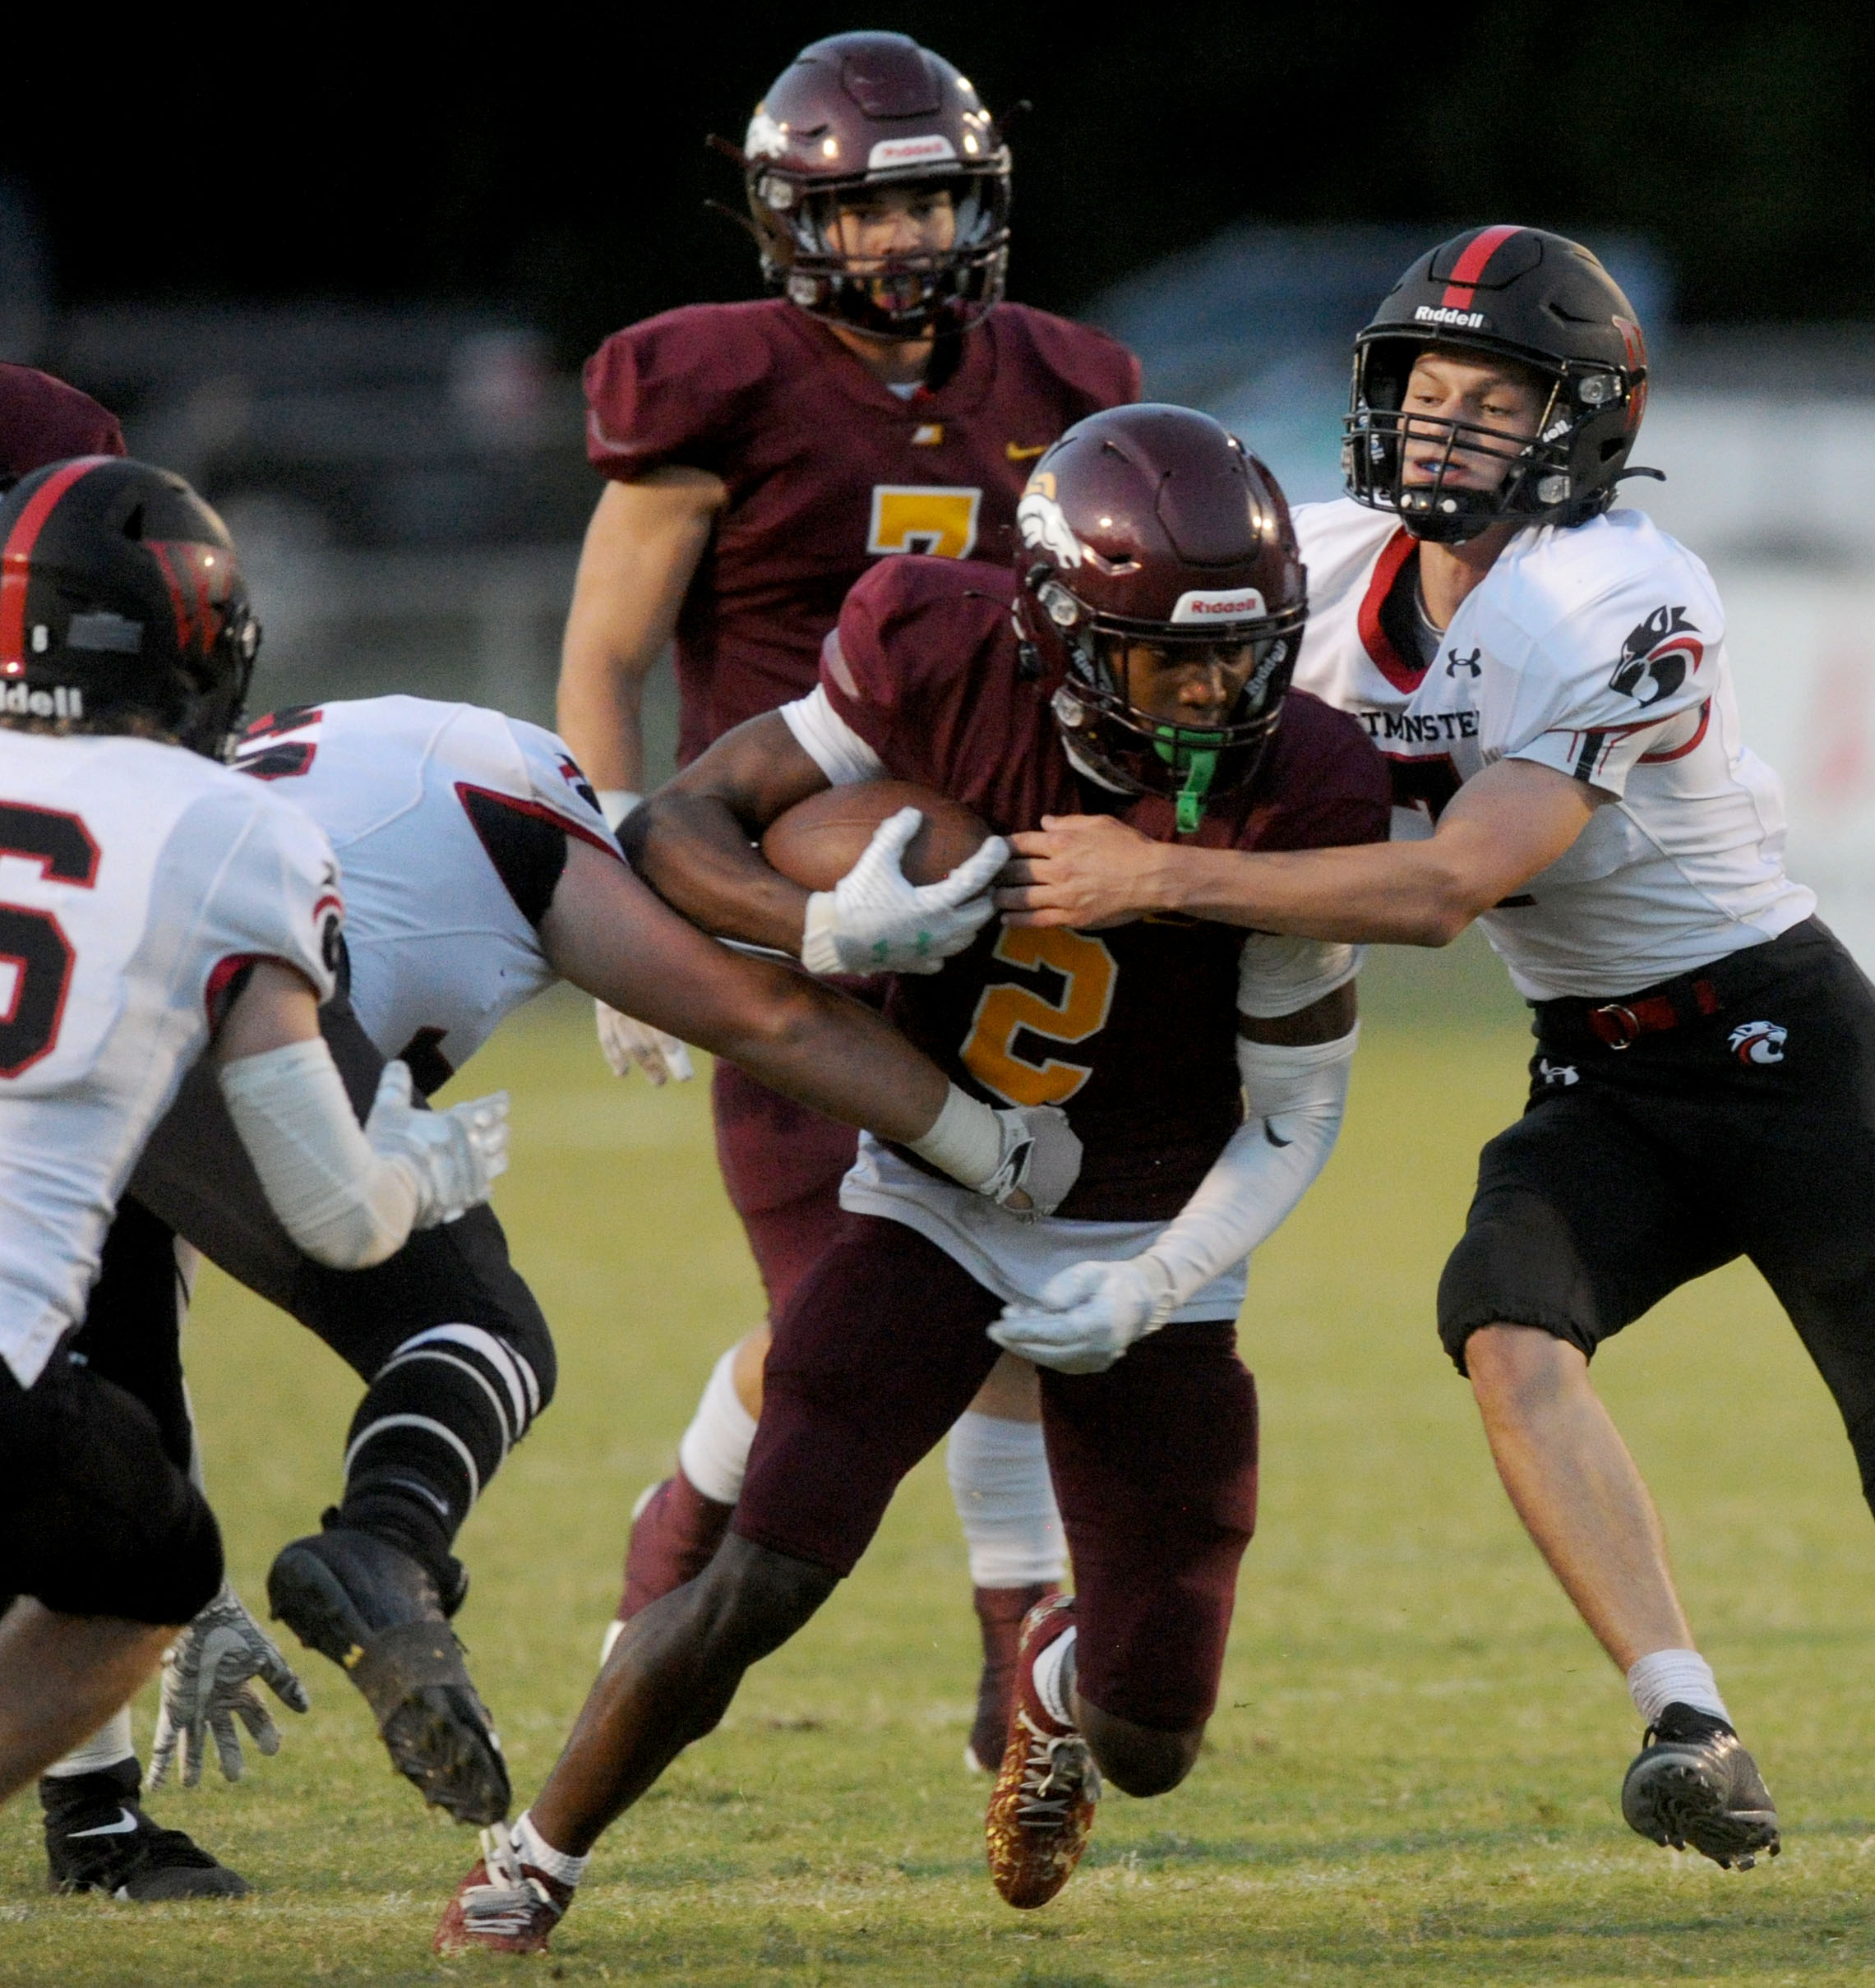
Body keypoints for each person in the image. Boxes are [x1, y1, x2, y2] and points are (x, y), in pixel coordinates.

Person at [998, 230, 1875, 1921]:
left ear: (1585, 422)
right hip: (1602, 1071)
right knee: (1502, 1315)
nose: (1444, 425)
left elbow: (1446, 883)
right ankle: (1682, 1716)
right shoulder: (1324, 572)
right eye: (1425, 385)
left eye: (1497, 397)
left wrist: (1158, 877)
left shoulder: (1624, 588)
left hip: (1782, 1051)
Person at [431, 403, 1388, 1953]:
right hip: (938, 1188)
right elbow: (678, 819)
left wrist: (1152, 1278)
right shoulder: (938, 657)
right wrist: (821, 930)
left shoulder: (1305, 781)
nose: (1219, 691)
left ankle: (1059, 1680)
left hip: (1158, 1217)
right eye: (1175, 656)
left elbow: (1294, 1114)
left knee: (1156, 1737)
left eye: (1243, 650)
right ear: (1067, 631)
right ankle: (525, 1862)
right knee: (768, 1567)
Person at [40, 689, 1080, 1895]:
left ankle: (95, 1819)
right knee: (477, 1329)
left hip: (73, 1013)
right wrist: (991, 1146)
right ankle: (388, 1544)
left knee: (91, 1408)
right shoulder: (532, 798)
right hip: (244, 1007)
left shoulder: (278, 753)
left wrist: (183, 1568)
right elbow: (767, 1013)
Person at [556, 30, 1139, 1765]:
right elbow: (606, 655)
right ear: (792, 214)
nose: (907, 237)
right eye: (872, 205)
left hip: (996, 898)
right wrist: (613, 909)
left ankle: (1005, 1694)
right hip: (773, 893)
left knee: (1012, 1296)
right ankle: (652, 1602)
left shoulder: (1062, 375)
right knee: (837, 1327)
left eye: (937, 196)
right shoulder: (710, 383)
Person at [0, 454, 506, 1813]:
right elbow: (333, 1215)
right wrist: (424, 1164)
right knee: (143, 1581)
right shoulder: (234, 829)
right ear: (196, 641)